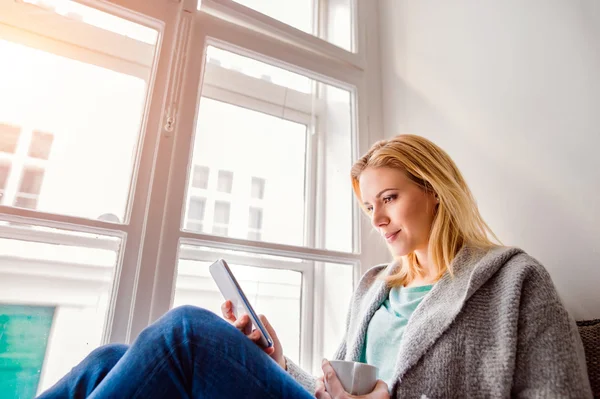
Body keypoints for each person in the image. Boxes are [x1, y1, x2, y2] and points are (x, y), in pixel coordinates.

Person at [37, 134, 592, 399]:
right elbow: (332, 392)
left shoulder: (515, 283)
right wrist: (276, 360)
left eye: (390, 198)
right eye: (368, 207)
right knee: (110, 358)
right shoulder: (374, 288)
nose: (377, 219)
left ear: (436, 192)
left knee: (187, 332)